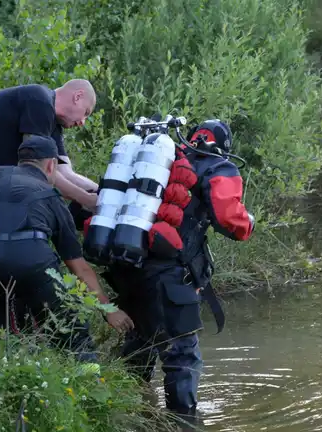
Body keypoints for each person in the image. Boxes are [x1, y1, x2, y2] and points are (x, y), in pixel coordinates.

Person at [99, 119, 255, 427]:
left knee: (141, 340)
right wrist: (248, 221)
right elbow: (230, 221)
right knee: (182, 353)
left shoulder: (161, 160)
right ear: (222, 147)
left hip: (127, 266)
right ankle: (184, 423)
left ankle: (130, 412)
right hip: (169, 277)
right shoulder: (215, 167)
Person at [0, 135, 134, 362]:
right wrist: (108, 310)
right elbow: (78, 267)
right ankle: (89, 383)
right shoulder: (51, 197)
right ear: (51, 166)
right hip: (32, 261)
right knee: (72, 334)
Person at [0, 79, 100, 211]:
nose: (83, 122)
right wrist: (86, 199)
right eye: (86, 113)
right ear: (77, 97)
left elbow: (65, 172)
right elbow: (38, 168)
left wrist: (102, 192)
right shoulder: (39, 100)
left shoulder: (54, 124)